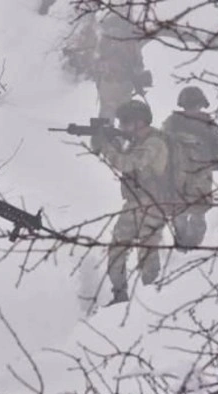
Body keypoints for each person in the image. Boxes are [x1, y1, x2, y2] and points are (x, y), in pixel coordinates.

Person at [93, 100, 171, 305]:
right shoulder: (138, 142)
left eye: (126, 122)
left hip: (152, 205)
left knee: (147, 255)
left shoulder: (154, 143)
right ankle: (120, 296)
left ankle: (152, 302)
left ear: (140, 121)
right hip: (134, 204)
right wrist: (112, 143)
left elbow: (128, 164)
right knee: (116, 250)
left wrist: (108, 147)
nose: (122, 126)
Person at [162, 86, 218, 249]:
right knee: (181, 213)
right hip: (180, 174)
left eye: (195, 105)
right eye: (190, 105)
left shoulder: (208, 125)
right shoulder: (174, 122)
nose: (193, 109)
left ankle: (193, 246)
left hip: (199, 175)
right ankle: (183, 245)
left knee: (197, 213)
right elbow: (162, 142)